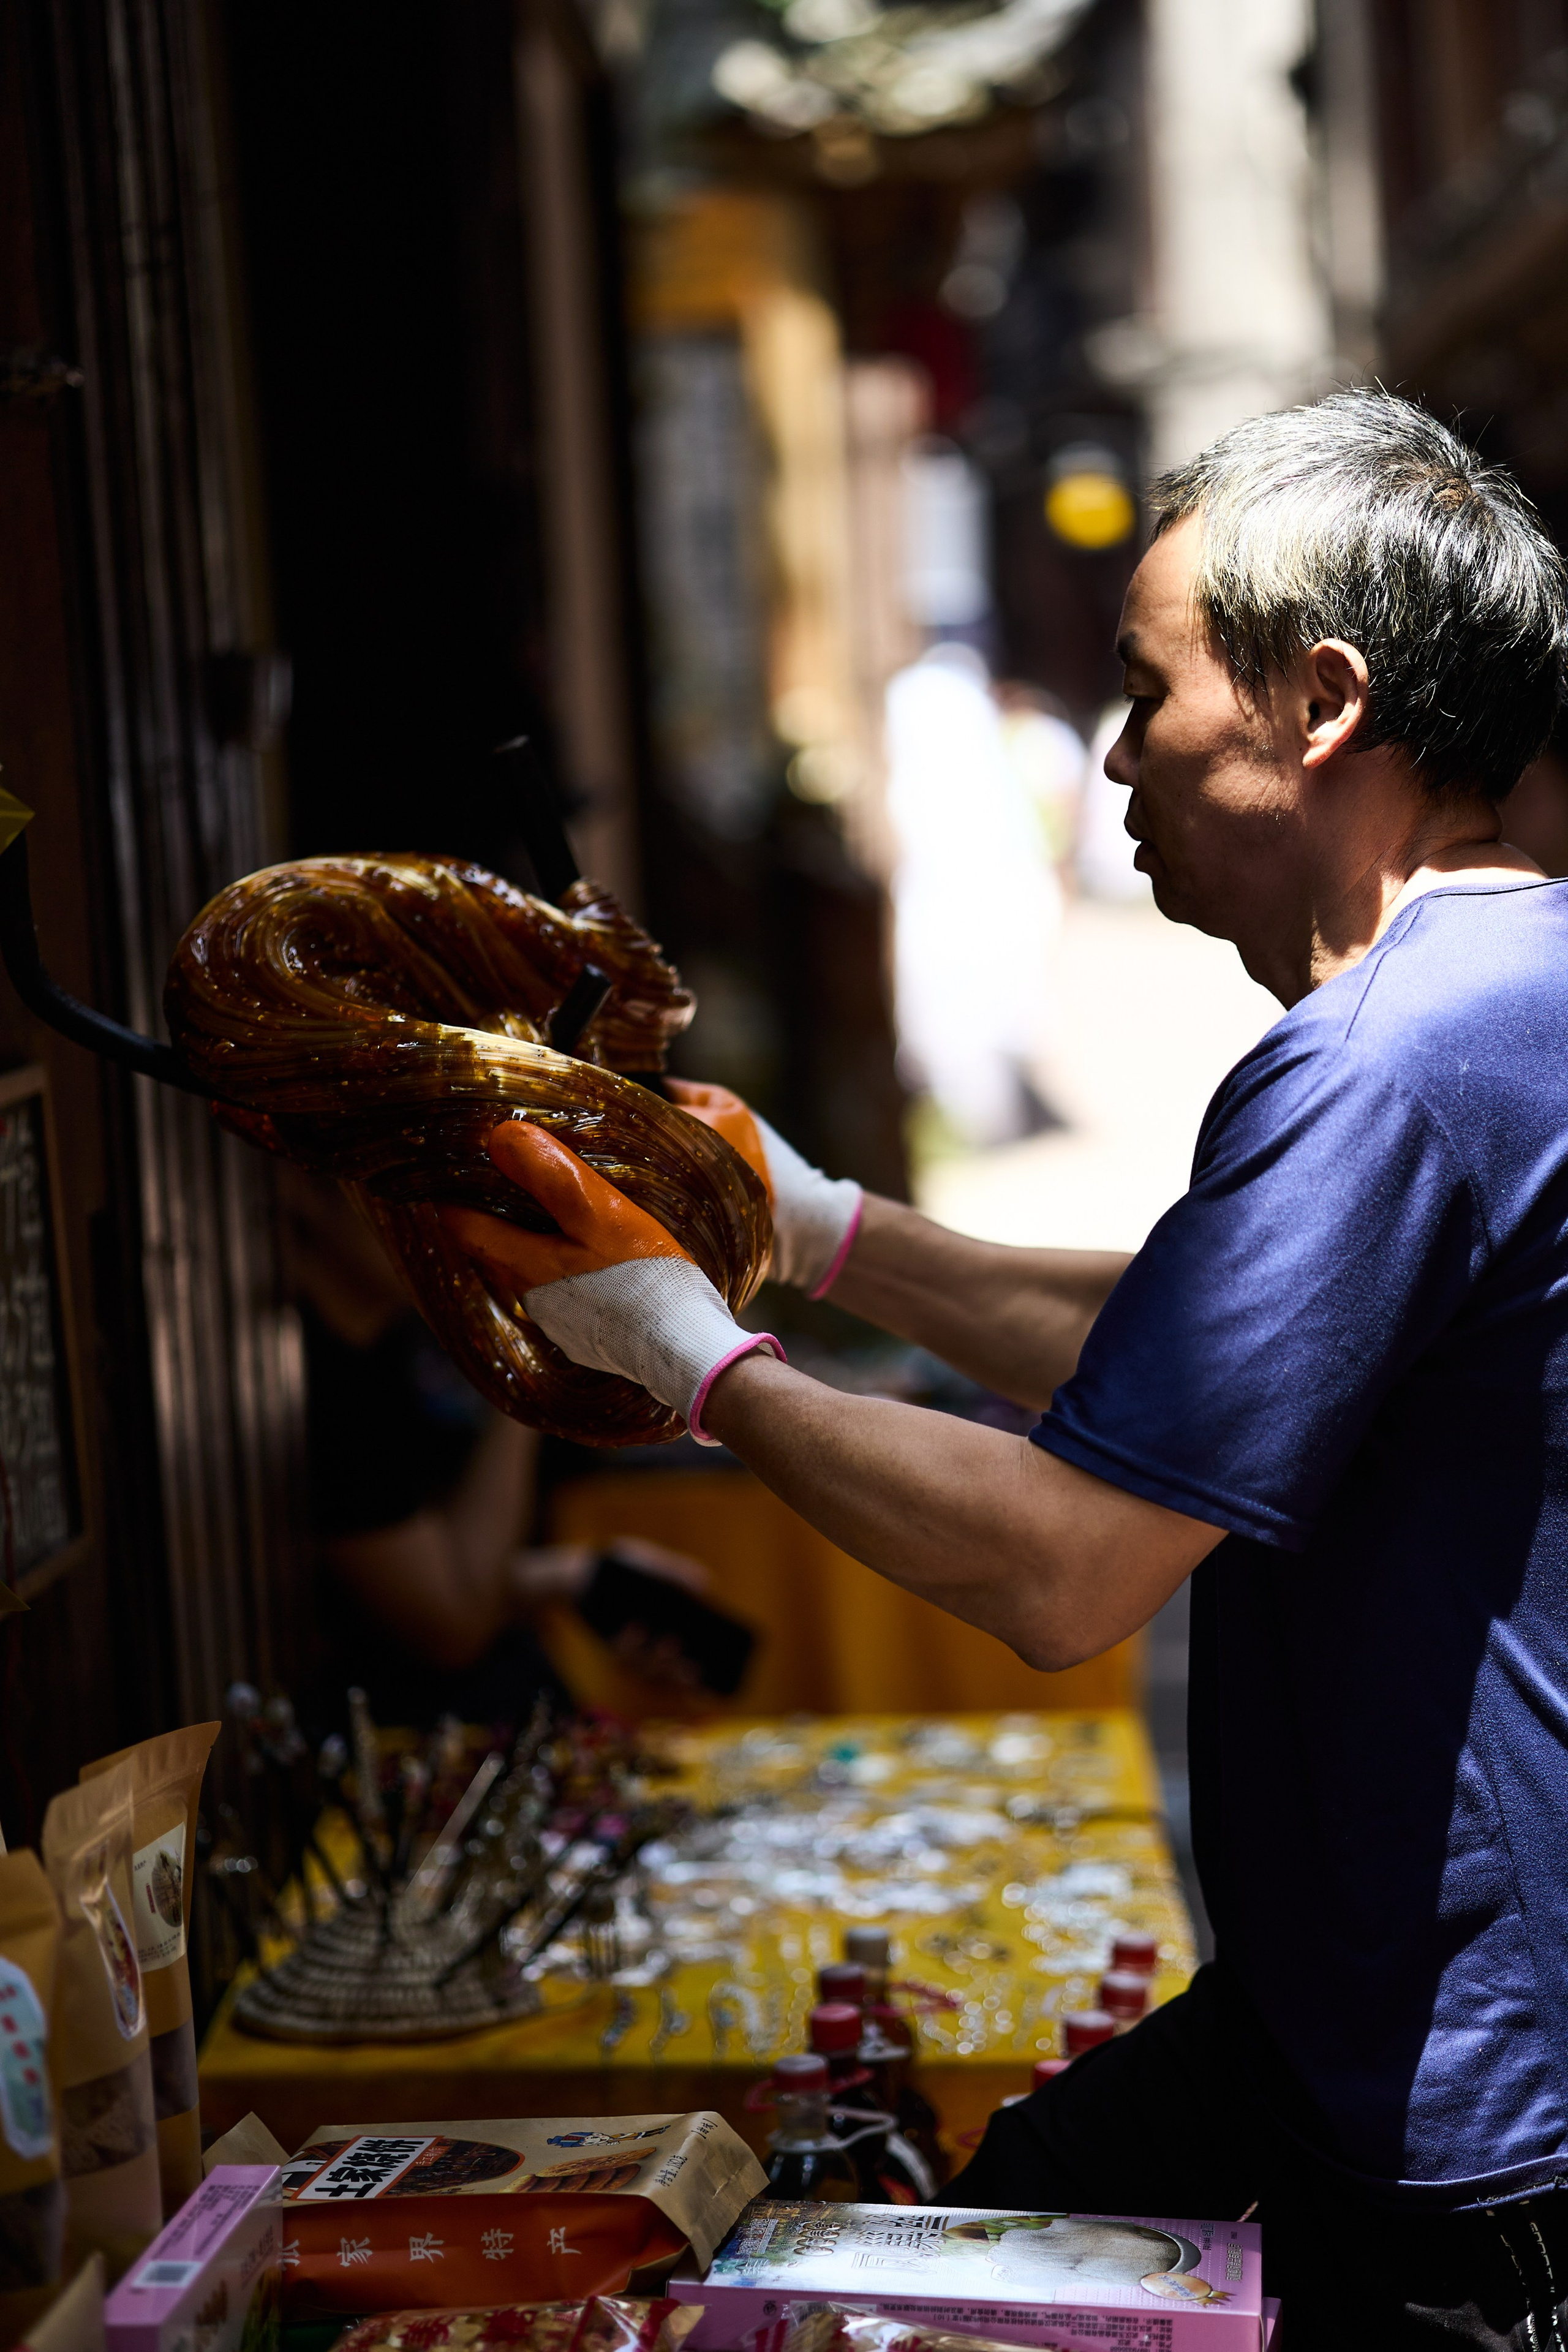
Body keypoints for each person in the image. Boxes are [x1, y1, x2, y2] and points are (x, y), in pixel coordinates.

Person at [441, 391, 1568, 2346]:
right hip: (1366, 1994)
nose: (1114, 755)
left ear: (1317, 700)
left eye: (1149, 694)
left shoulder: (1377, 1055)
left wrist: (695, 1359)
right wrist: (821, 1228)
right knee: (967, 2241)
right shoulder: (1510, 985)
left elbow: (1061, 1569)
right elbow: (1190, 1356)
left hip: (1460, 2090)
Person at [282, 1167, 717, 1728]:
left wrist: (576, 1576)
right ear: (301, 1188)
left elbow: (444, 1568)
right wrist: (532, 1377)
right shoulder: (320, 1381)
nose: (436, 1217)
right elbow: (451, 1626)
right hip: (419, 1739)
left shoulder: (393, 1347)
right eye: (394, 1183)